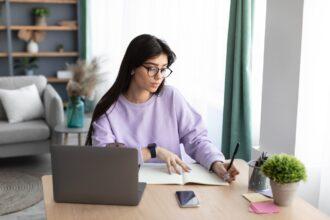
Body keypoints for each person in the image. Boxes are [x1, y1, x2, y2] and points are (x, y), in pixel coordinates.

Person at [85, 34, 239, 182]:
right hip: (126, 185)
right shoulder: (108, 109)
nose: (159, 76)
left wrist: (216, 163)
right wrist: (153, 151)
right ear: (132, 67)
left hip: (170, 184)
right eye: (152, 68)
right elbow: (105, 160)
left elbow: (197, 139)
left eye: (163, 69)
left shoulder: (171, 97)